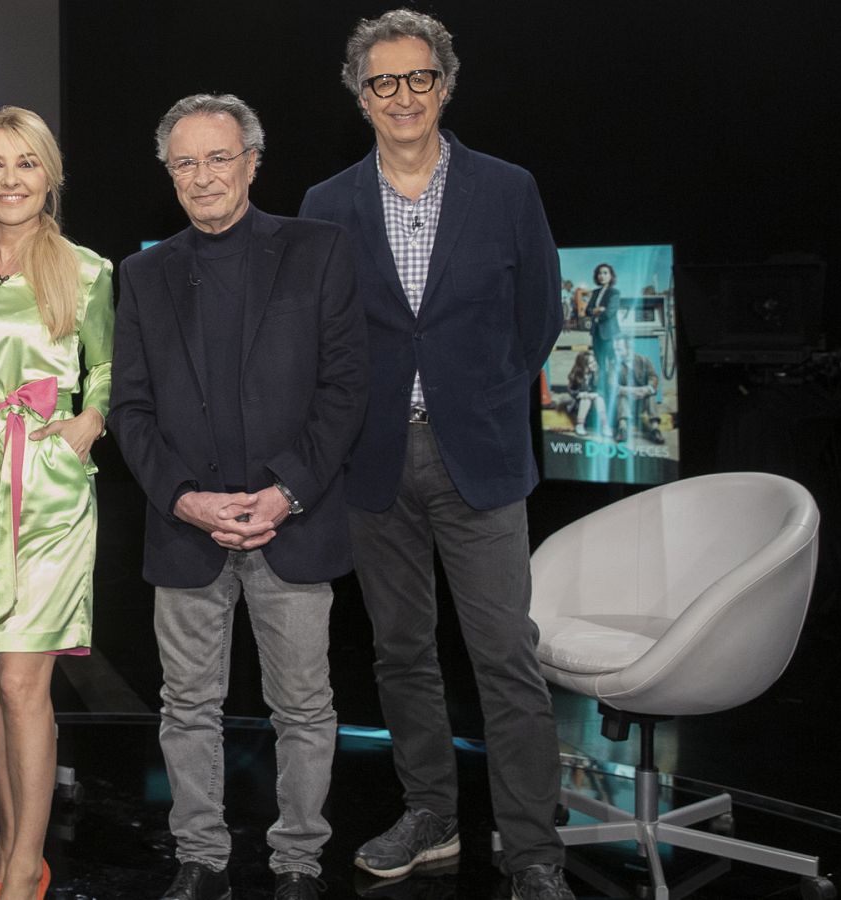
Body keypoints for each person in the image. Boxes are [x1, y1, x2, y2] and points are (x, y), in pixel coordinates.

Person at [298, 10, 576, 900]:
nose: (403, 96)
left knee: (505, 656)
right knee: (400, 652)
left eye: (420, 79)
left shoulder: (508, 189)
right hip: (373, 465)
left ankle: (533, 853)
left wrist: (481, 394)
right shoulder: (327, 204)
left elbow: (540, 317)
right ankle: (433, 815)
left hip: (481, 459)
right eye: (384, 82)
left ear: (445, 86)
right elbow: (323, 339)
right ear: (361, 94)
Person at [111, 94, 366, 900]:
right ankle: (202, 858)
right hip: (187, 530)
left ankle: (297, 862)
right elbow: (131, 409)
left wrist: (285, 491)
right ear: (169, 174)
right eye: (185, 162)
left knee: (303, 707)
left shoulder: (318, 251)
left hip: (291, 522)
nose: (203, 176)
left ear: (253, 162)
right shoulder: (143, 275)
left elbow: (346, 389)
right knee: (187, 706)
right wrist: (185, 498)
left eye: (219, 158)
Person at [0, 106, 113, 900]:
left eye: (27, 163)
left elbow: (106, 372)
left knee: (21, 682)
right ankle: (12, 845)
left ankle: (20, 872)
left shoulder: (87, 270)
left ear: (51, 174)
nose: (11, 179)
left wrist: (90, 420)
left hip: (46, 488)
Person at [610, 335, 664, 444]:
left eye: (619, 349)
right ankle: (622, 428)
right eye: (615, 349)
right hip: (625, 404)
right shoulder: (614, 364)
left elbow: (653, 377)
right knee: (621, 395)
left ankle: (655, 429)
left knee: (651, 394)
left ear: (628, 348)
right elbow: (612, 386)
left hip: (642, 402)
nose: (616, 353)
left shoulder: (644, 361)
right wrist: (632, 391)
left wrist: (647, 389)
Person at [583, 263, 621, 407]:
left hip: (609, 334)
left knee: (612, 363)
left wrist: (598, 311)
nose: (602, 276)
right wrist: (597, 310)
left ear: (611, 276)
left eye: (605, 273)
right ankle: (602, 392)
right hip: (596, 333)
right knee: (600, 364)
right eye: (600, 273)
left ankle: (614, 391)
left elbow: (610, 312)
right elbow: (587, 311)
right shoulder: (595, 292)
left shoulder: (614, 293)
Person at [566, 351, 605, 436]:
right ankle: (580, 425)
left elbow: (603, 389)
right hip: (579, 405)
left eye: (594, 361)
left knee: (599, 399)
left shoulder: (598, 373)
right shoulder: (576, 375)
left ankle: (605, 425)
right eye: (591, 363)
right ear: (583, 365)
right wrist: (579, 394)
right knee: (585, 400)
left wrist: (596, 394)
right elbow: (570, 390)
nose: (594, 364)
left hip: (596, 405)